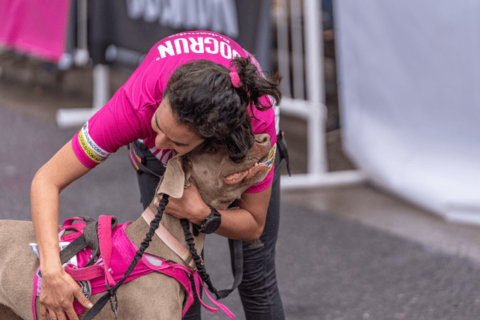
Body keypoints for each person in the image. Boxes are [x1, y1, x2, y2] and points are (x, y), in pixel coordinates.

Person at [31, 30, 286, 320]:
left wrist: (203, 214)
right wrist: (50, 270)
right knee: (175, 276)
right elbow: (47, 179)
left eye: (177, 143)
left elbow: (254, 225)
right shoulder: (136, 105)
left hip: (237, 142)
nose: (161, 142)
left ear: (212, 141)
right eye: (157, 126)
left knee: (256, 278)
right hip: (155, 108)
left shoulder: (255, 123)